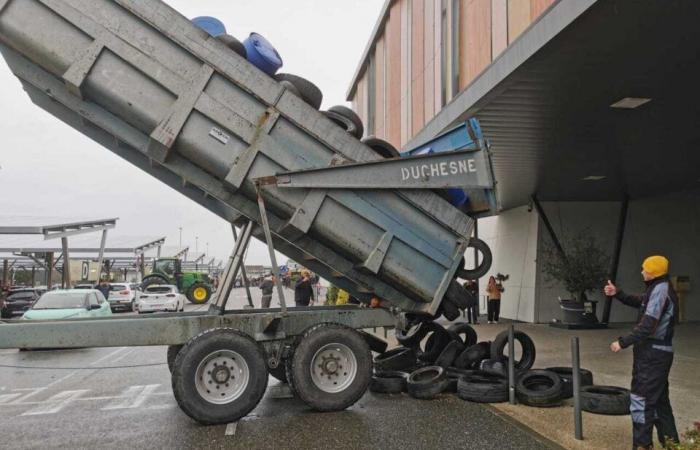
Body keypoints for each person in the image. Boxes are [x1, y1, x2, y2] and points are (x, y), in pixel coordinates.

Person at [604, 255, 679, 449]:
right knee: (660, 402)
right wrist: (617, 293)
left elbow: (648, 325)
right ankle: (671, 444)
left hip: (653, 355)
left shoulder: (661, 290)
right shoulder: (658, 288)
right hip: (654, 354)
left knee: (641, 401)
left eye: (644, 269)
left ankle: (642, 445)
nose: (642, 272)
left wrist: (622, 342)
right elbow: (640, 301)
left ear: (653, 272)